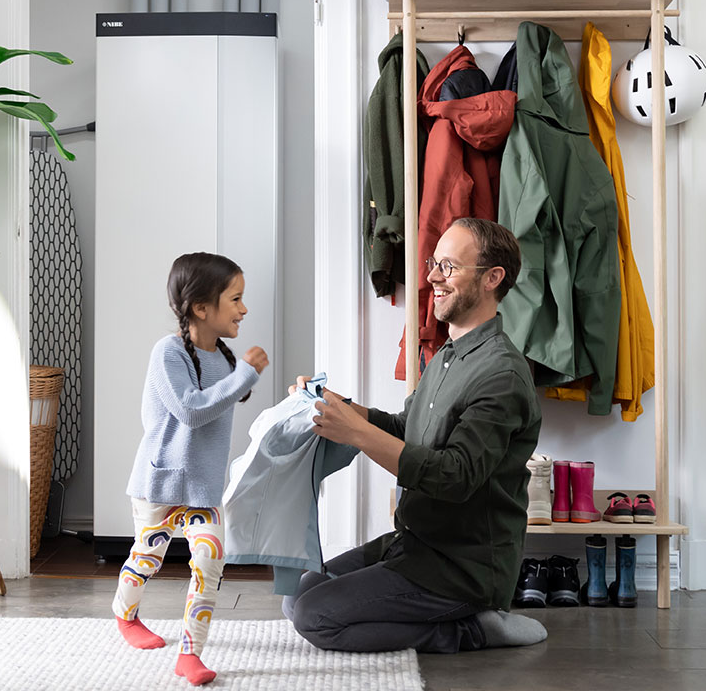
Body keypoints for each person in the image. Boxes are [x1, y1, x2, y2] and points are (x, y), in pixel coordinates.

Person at [283, 218, 548, 653]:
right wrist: (342, 408)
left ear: (492, 278)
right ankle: (456, 617)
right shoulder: (448, 353)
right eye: (433, 263)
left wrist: (358, 434)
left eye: (448, 266)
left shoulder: (501, 374)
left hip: (461, 566)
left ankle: (472, 628)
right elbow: (409, 431)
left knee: (316, 619)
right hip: (413, 542)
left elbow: (456, 477)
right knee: (296, 595)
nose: (431, 277)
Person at [112, 252, 270, 686]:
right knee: (148, 558)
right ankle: (124, 615)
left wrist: (240, 374)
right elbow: (190, 411)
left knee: (210, 557)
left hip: (201, 488)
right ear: (202, 308)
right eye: (235, 299)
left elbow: (220, 400)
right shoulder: (168, 354)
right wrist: (245, 376)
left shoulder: (223, 357)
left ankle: (190, 653)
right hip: (159, 484)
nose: (244, 309)